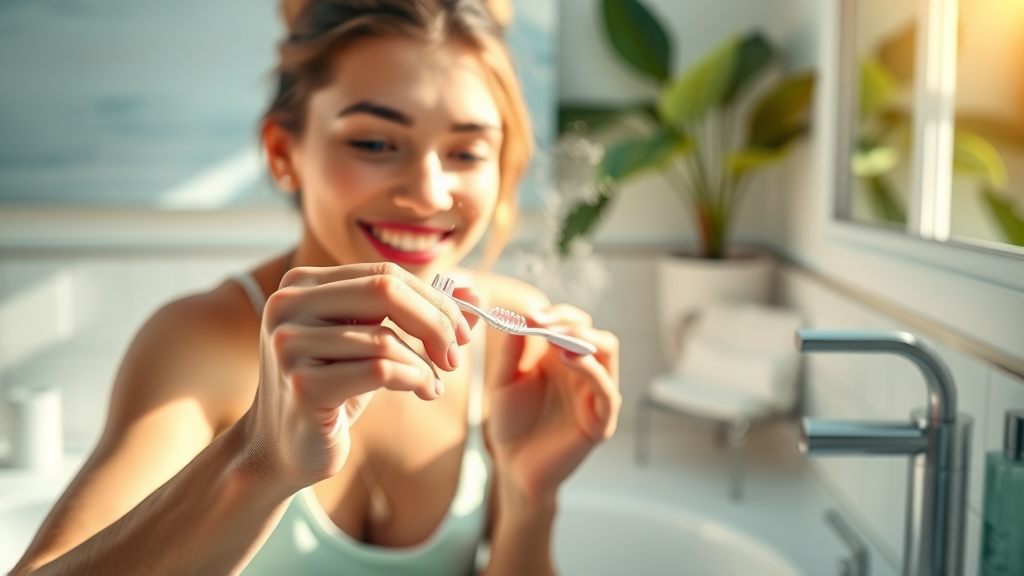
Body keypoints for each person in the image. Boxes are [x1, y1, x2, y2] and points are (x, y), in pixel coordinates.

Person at [10, 0, 620, 575]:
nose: (431, 194)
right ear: (284, 151)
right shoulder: (199, 343)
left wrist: (529, 498)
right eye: (375, 143)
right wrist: (263, 456)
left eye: (466, 152)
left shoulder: (511, 337)